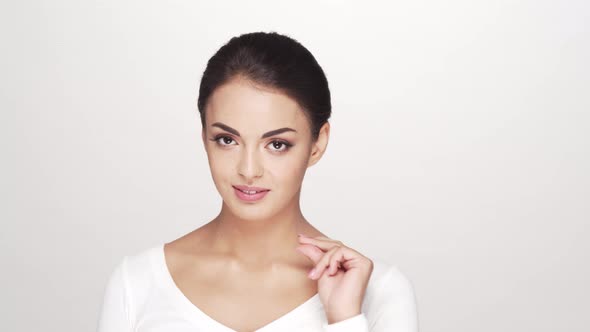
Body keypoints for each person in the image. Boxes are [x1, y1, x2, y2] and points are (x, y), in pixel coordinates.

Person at [96, 31, 418, 332]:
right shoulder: (137, 284)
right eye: (226, 140)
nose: (249, 170)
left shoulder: (379, 292)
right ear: (204, 136)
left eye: (277, 144)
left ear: (318, 143)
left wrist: (344, 319)